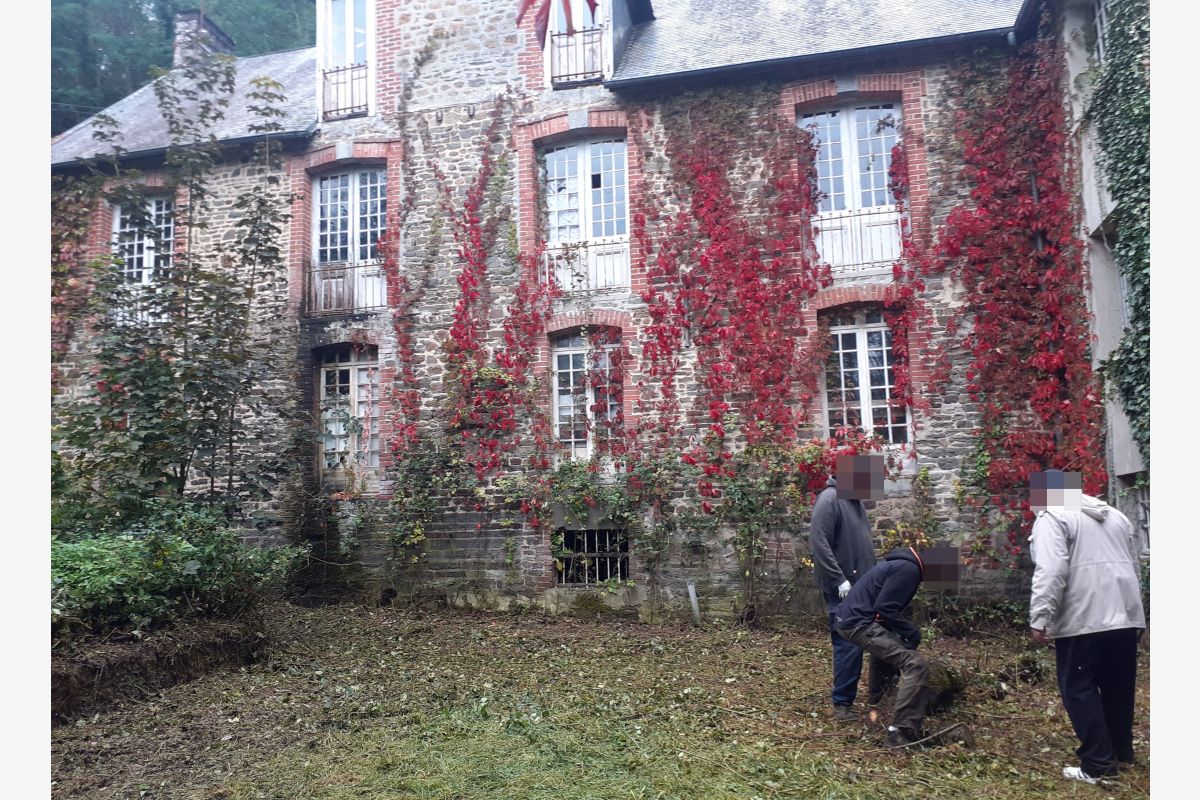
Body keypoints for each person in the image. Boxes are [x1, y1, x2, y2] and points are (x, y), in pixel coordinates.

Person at [1028, 474, 1146, 785]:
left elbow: (1051, 570)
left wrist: (1040, 617)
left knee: (1078, 688)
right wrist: (1139, 614)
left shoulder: (1052, 517)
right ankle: (1121, 751)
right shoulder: (1116, 517)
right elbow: (1133, 567)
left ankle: (1097, 765)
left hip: (1085, 618)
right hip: (1125, 615)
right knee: (1118, 686)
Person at [833, 546, 930, 747]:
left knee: (889, 650)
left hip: (850, 619)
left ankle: (878, 707)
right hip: (858, 624)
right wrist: (912, 632)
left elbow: (884, 609)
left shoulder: (898, 564)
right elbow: (885, 608)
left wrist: (902, 637)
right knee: (915, 664)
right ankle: (900, 732)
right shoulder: (909, 569)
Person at [808, 454, 880, 721]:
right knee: (847, 644)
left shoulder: (854, 502)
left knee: (868, 641)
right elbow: (819, 543)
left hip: (862, 587)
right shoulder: (829, 500)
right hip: (844, 589)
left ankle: (876, 695)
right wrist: (839, 580)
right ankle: (842, 705)